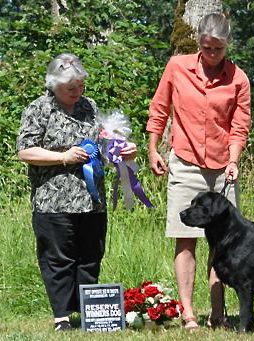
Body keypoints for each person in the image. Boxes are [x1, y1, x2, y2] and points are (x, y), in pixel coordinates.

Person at [16, 53, 137, 331]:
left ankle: (89, 315)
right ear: (54, 84)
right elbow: (25, 151)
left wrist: (124, 150)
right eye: (71, 88)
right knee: (58, 259)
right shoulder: (39, 109)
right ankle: (61, 318)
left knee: (90, 255)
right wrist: (62, 157)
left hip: (92, 201)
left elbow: (102, 146)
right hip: (53, 200)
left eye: (81, 86)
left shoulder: (90, 107)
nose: (77, 92)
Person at [146, 13, 251, 330]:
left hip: (222, 168)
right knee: (186, 238)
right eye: (206, 48)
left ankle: (218, 313)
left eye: (217, 49)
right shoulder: (177, 67)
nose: (211, 54)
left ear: (227, 45)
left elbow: (239, 127)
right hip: (185, 161)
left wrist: (233, 158)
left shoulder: (239, 79)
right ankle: (188, 313)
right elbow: (159, 109)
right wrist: (153, 149)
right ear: (199, 42)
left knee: (223, 244)